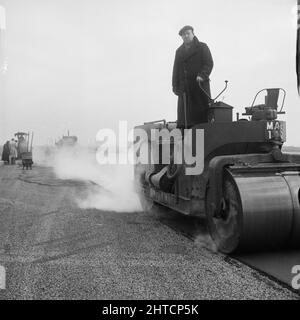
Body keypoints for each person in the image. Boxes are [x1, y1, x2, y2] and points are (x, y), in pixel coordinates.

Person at [172, 25, 213, 128]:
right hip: (184, 90)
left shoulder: (202, 47)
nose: (186, 36)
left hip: (199, 88)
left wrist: (202, 75)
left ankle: (200, 143)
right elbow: (175, 70)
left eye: (188, 33)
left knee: (200, 121)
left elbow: (209, 63)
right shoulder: (179, 52)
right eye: (183, 34)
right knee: (185, 121)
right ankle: (186, 142)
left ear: (193, 34)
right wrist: (175, 87)